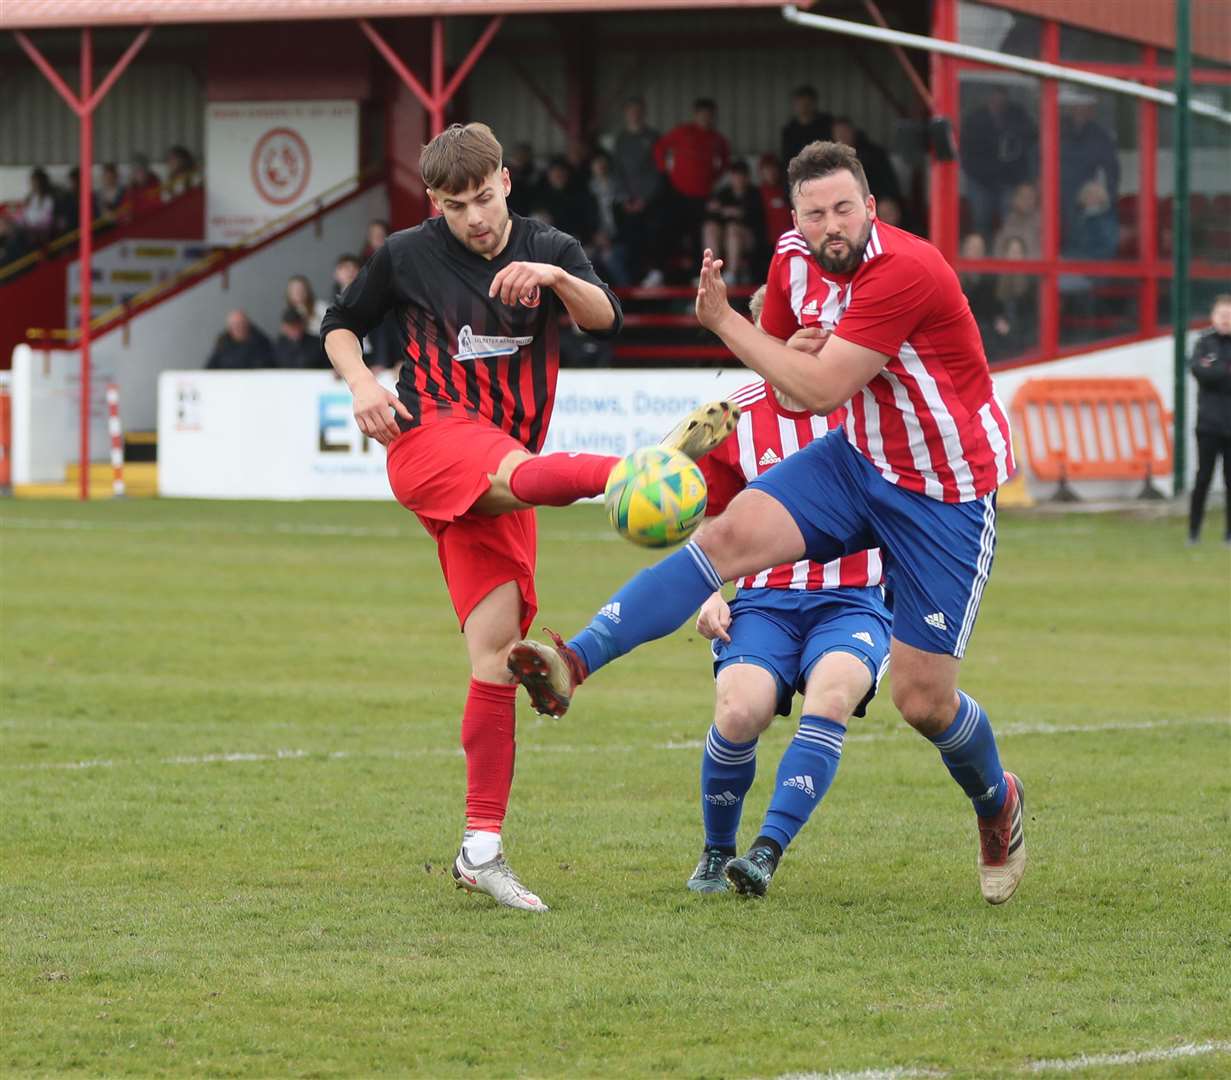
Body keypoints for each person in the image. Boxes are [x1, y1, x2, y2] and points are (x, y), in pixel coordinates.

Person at [508, 141, 1027, 907]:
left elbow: (814, 389)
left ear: (871, 209)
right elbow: (785, 385)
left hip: (943, 492)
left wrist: (722, 320)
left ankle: (996, 802)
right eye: (814, 214)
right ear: (795, 221)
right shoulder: (791, 260)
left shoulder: (906, 269)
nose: (831, 227)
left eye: (844, 209)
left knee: (922, 700)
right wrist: (777, 350)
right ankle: (573, 662)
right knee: (720, 542)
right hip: (857, 461)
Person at [319, 122, 737, 913]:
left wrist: (552, 275)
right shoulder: (407, 254)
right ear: (434, 202)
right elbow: (339, 320)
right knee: (523, 470)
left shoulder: (550, 245)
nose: (473, 218)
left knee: (497, 656)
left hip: (504, 470)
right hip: (431, 439)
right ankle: (628, 470)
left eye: (482, 198)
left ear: (505, 182)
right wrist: (362, 384)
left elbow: (603, 318)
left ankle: (480, 848)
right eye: (455, 205)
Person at [685, 284, 891, 897]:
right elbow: (705, 516)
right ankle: (717, 851)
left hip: (852, 599)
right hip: (765, 603)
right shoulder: (729, 418)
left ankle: (767, 851)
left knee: (831, 696)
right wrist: (707, 591)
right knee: (739, 710)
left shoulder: (865, 409)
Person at [654, 99, 731, 265]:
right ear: (695, 115)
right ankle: (666, 271)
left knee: (699, 235)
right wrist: (665, 171)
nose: (705, 119)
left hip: (703, 196)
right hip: (678, 193)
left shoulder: (717, 139)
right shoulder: (682, 132)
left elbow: (725, 161)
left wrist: (713, 178)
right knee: (672, 232)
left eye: (709, 116)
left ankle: (698, 273)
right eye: (702, 115)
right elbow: (660, 147)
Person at [959, 87, 1037, 241]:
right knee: (980, 219)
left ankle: (1008, 252)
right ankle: (980, 254)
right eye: (994, 96)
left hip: (1008, 180)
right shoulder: (975, 119)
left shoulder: (1017, 115)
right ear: (988, 98)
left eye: (1001, 97)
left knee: (1009, 218)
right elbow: (966, 151)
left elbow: (1031, 138)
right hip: (980, 180)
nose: (998, 101)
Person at [1187, 294, 1231, 545]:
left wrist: (1217, 371)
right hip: (1208, 425)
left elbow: (1213, 373)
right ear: (1213, 317)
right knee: (1202, 478)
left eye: (1230, 315)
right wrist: (1222, 371)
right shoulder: (1204, 343)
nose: (1226, 320)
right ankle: (1194, 533)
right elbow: (1201, 372)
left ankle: (1229, 534)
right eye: (1222, 315)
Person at [1058, 88, 1119, 259]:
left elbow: (1111, 171)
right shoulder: (1056, 131)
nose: (1080, 111)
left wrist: (1106, 199)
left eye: (1084, 107)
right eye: (1076, 107)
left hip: (1085, 197)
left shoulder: (1099, 136)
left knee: (1082, 232)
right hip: (1057, 193)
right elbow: (1039, 158)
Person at [611, 96, 663, 285]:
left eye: (638, 110)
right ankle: (632, 281)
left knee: (653, 235)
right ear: (626, 113)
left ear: (643, 112)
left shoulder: (653, 137)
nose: (634, 114)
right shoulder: (621, 140)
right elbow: (617, 171)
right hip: (627, 203)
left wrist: (644, 199)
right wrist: (625, 198)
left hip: (649, 202)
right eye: (631, 110)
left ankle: (654, 274)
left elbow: (658, 171)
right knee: (628, 242)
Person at [702, 161, 763, 285]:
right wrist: (717, 210)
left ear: (747, 177)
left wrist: (738, 213)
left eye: (741, 176)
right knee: (710, 228)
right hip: (724, 238)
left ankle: (731, 274)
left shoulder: (754, 193)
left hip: (747, 238)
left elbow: (757, 220)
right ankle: (711, 273)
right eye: (735, 176)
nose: (738, 179)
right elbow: (713, 215)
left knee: (732, 229)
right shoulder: (723, 193)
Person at [832, 117, 901, 208]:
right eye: (839, 133)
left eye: (846, 131)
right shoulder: (828, 159)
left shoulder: (873, 155)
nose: (843, 136)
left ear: (853, 132)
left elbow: (887, 185)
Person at [780, 86, 832, 172]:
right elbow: (787, 159)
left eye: (808, 104)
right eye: (800, 104)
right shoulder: (789, 130)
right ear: (795, 105)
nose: (804, 108)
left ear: (814, 104)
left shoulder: (826, 124)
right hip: (799, 174)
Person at [206, 310, 274, 369]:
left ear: (247, 325)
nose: (239, 328)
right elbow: (210, 367)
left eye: (241, 324)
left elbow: (263, 366)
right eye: (235, 325)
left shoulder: (261, 343)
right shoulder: (223, 343)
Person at [993, 182, 1041, 259]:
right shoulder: (1006, 224)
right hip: (1010, 269)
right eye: (1022, 196)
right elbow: (998, 254)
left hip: (1035, 269)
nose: (1026, 201)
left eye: (1030, 197)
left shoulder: (1043, 225)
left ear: (1035, 200)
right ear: (1014, 200)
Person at [758, 155, 794, 251]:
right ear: (761, 172)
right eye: (767, 169)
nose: (771, 172)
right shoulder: (756, 194)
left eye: (774, 169)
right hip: (765, 243)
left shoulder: (787, 191)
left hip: (788, 242)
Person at [22, 167, 56, 243]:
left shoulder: (49, 199)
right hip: (28, 228)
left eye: (35, 182)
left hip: (41, 231)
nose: (33, 185)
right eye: (32, 182)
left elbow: (47, 220)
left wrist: (31, 227)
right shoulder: (31, 198)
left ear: (41, 183)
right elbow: (25, 215)